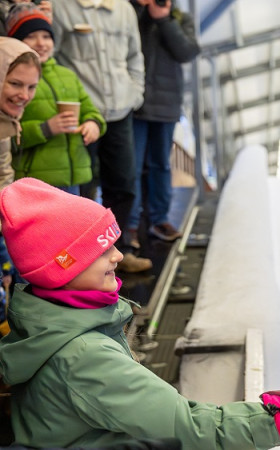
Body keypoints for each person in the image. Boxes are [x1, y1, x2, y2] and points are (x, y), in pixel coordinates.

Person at [0, 177, 280, 449]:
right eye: (99, 250)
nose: (117, 256)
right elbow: (192, 429)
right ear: (60, 269)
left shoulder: (47, 322)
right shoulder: (85, 357)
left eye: (113, 243)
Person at [51, 0, 152, 273]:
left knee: (123, 184)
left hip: (121, 111)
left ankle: (120, 251)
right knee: (83, 188)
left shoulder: (124, 9)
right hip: (82, 113)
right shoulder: (61, 7)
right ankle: (85, 260)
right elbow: (52, 55)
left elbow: (134, 56)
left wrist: (135, 94)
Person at [6, 3, 105, 195]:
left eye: (46, 36)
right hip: (35, 183)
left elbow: (91, 111)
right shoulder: (11, 80)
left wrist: (93, 124)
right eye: (30, 36)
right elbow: (6, 137)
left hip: (75, 180)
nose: (41, 43)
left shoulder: (67, 75)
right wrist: (45, 128)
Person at [128, 0, 200, 247]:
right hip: (133, 103)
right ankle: (130, 225)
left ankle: (160, 220)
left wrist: (163, 19)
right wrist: (140, 9)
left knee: (161, 164)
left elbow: (188, 51)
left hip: (167, 105)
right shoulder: (129, 12)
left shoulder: (179, 18)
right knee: (132, 167)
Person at [0, 36, 38, 191]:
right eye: (15, 84)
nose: (24, 95)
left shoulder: (5, 119)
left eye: (31, 87)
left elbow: (3, 176)